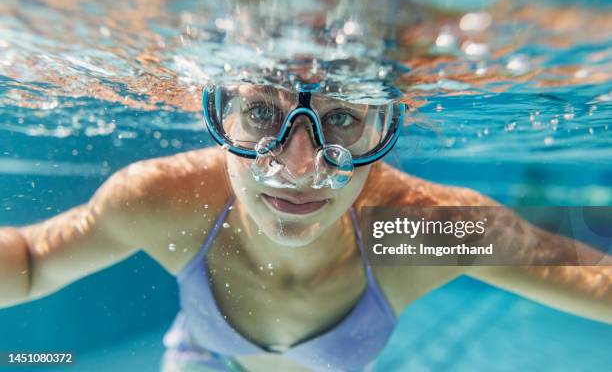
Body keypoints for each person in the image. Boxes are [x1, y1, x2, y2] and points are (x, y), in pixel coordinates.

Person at [0, 69, 610, 372]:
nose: (299, 167)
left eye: (342, 119)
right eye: (264, 111)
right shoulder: (171, 203)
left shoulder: (410, 232)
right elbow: (26, 263)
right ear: (221, 117)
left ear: (385, 130)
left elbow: (598, 283)